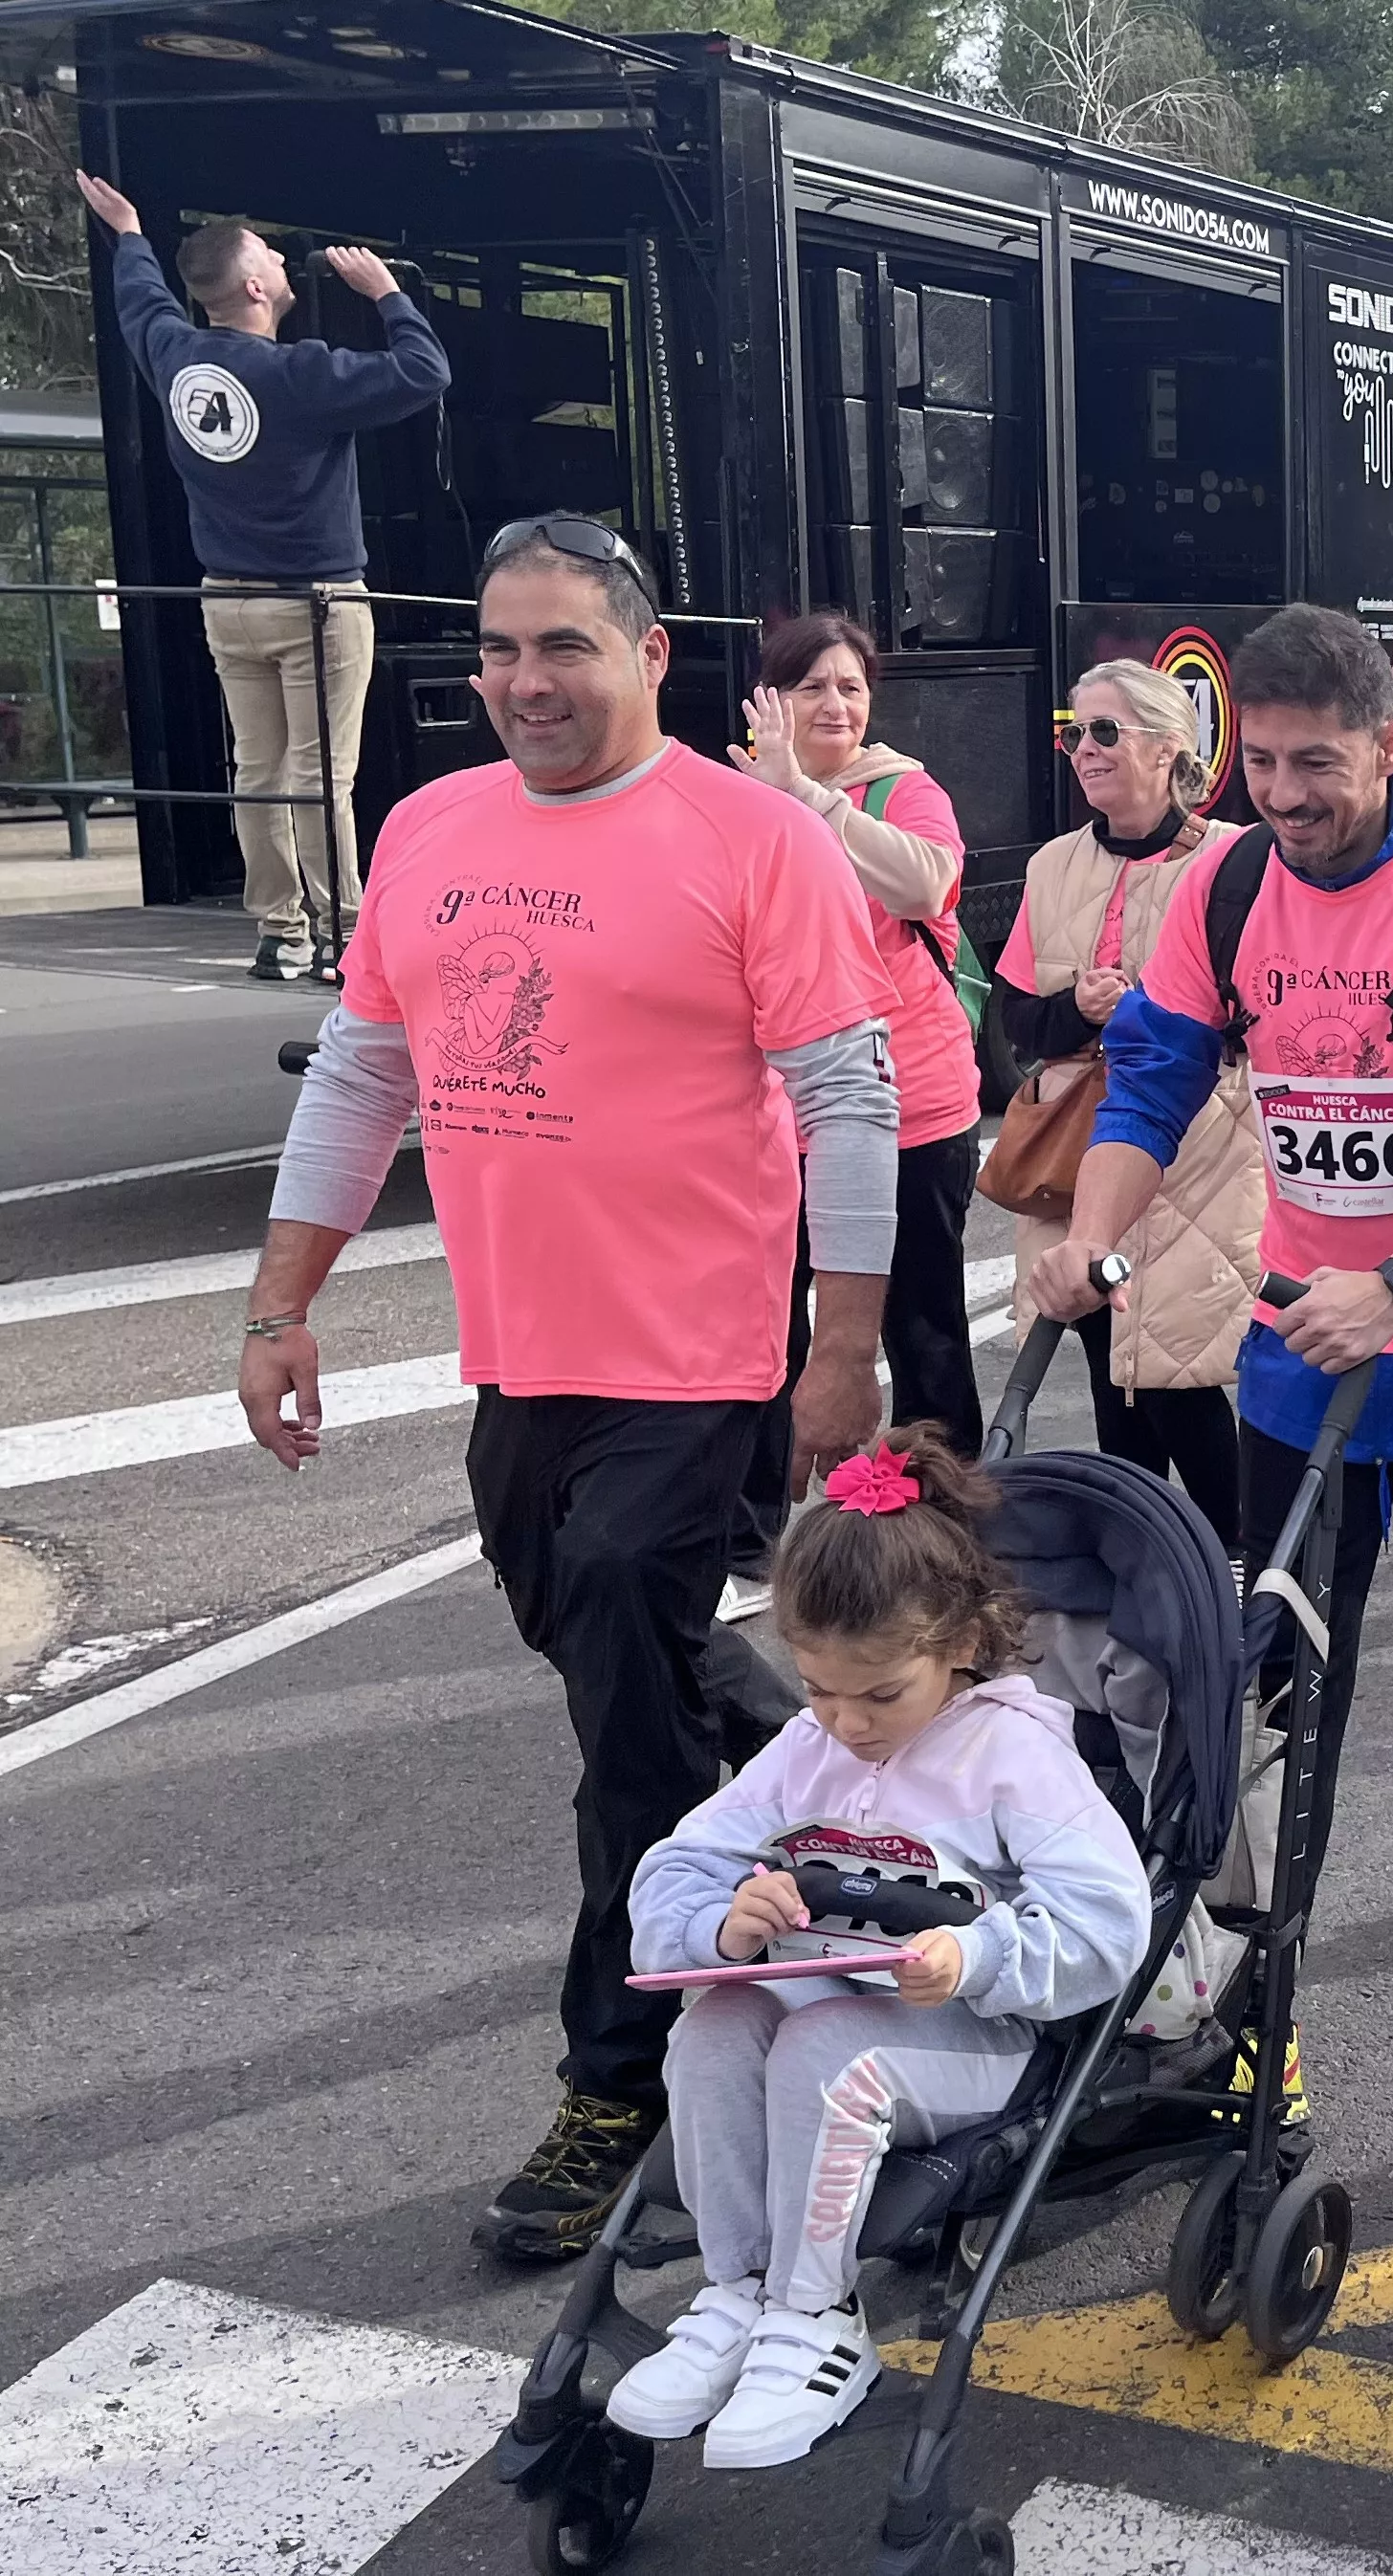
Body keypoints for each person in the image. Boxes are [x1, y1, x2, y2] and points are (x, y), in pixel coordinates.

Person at [239, 513, 899, 2257]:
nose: (526, 682)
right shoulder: (430, 828)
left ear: (649, 656)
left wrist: (841, 1345)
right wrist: (275, 1304)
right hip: (521, 1353)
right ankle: (839, 1803)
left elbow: (847, 1099)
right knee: (616, 1649)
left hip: (697, 1359)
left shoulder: (752, 840)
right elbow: (363, 1079)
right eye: (501, 649)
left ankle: (620, 2077)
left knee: (620, 1696)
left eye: (565, 648)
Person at [1034, 605, 1393, 1847]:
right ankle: (1276, 1898)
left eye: (1316, 765)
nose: (1284, 797)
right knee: (1288, 1618)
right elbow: (1151, 1077)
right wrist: (1088, 1236)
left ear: (1391, 742)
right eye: (1262, 765)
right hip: (1300, 1323)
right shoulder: (1226, 886)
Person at [610, 1425, 1152, 2466]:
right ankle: (737, 2291)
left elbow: (1104, 1919)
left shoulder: (1011, 1751)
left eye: (877, 1695)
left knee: (826, 2057)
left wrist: (978, 1954)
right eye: (816, 1688)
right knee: (716, 2025)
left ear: (958, 1640)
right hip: (824, 2001)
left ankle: (815, 2314)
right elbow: (678, 1863)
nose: (845, 1722)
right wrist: (721, 1922)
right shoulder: (811, 1741)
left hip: (972, 2033)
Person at [79, 170, 449, 986]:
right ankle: (345, 933)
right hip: (314, 598)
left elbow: (139, 299)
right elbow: (424, 373)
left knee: (258, 768)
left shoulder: (174, 357)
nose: (284, 262)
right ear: (253, 286)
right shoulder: (300, 376)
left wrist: (132, 233)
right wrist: (386, 291)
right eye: (271, 257)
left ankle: (279, 932)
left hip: (227, 598)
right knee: (324, 777)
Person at [724, 613, 983, 1596]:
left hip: (911, 1104)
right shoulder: (732, 795)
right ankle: (750, 1537)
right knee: (767, 1330)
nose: (835, 705)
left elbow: (928, 883)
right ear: (770, 701)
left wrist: (808, 798)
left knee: (922, 1327)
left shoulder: (902, 787)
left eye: (850, 687)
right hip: (776, 1115)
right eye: (813, 687)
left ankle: (944, 1529)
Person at [989, 659, 1261, 1533]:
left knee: (1176, 1375)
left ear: (1168, 745)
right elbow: (1016, 1023)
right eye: (1077, 733)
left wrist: (1153, 1011)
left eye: (1106, 731)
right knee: (1115, 1373)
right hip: (1078, 1151)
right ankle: (1151, 1572)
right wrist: (1076, 1006)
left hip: (1196, 1152)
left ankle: (1238, 1567)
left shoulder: (1233, 860)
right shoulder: (1050, 865)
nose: (1084, 750)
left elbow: (1266, 1010)